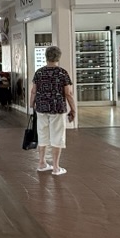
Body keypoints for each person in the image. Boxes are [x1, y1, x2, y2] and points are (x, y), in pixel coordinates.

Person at [29, 46, 77, 176]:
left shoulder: (39, 72)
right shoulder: (62, 73)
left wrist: (31, 103)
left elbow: (34, 90)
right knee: (57, 135)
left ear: (46, 56)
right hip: (57, 107)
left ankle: (41, 163)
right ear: (58, 57)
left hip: (41, 107)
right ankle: (56, 167)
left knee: (42, 134)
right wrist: (73, 109)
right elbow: (68, 93)